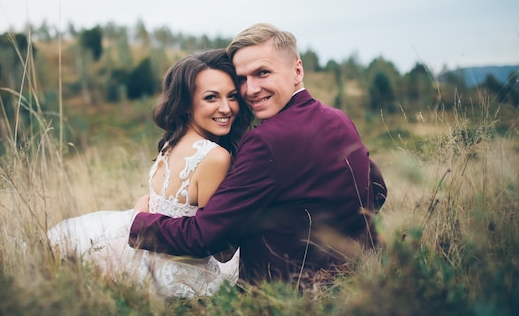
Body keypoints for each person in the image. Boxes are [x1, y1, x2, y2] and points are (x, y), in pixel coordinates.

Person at [129, 23, 387, 289]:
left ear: (297, 71)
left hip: (281, 298)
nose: (250, 90)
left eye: (262, 73)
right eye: (242, 79)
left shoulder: (265, 141)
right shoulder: (339, 119)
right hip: (352, 286)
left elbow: (205, 237)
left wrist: (141, 224)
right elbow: (378, 189)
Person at [47, 49, 253, 298]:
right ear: (187, 102)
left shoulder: (171, 143)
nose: (226, 108)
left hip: (146, 268)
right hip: (188, 282)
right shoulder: (216, 157)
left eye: (232, 96)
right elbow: (219, 248)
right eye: (211, 98)